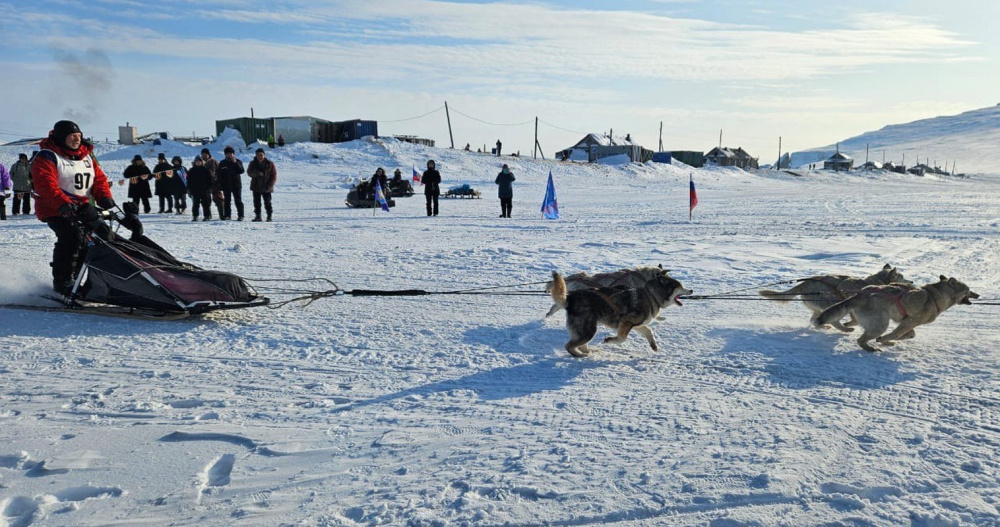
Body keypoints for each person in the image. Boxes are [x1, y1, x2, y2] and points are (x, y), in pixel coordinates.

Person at [30, 120, 115, 295]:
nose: (76, 140)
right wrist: (63, 204)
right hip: (55, 208)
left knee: (92, 241)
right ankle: (63, 282)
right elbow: (45, 184)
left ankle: (75, 280)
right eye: (72, 137)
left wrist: (104, 197)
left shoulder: (87, 156)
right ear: (62, 138)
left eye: (78, 136)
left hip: (82, 208)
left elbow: (98, 179)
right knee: (72, 238)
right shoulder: (47, 156)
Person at [247, 148, 277, 222]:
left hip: (266, 186)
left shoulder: (270, 163)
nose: (260, 156)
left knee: (267, 203)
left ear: (264, 155)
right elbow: (249, 172)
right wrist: (257, 173)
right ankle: (258, 216)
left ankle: (269, 216)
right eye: (258, 155)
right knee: (256, 203)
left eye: (261, 155)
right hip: (256, 186)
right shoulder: (252, 163)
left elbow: (274, 176)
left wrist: (270, 186)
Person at [217, 146, 245, 220]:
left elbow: (241, 171)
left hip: (236, 184)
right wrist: (220, 185)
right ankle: (227, 215)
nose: (230, 155)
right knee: (227, 201)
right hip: (226, 185)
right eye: (228, 153)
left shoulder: (238, 161)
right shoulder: (222, 163)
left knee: (238, 200)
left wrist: (235, 163)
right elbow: (219, 174)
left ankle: (241, 215)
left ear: (233, 154)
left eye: (231, 153)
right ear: (225, 154)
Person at [200, 148, 224, 220]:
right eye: (203, 154)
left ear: (208, 154)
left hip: (215, 183)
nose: (204, 156)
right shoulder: (200, 162)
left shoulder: (213, 161)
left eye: (205, 154)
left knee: (218, 199)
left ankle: (222, 215)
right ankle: (207, 215)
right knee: (206, 200)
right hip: (205, 184)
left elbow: (215, 172)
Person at [186, 156, 213, 221]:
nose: (198, 163)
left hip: (204, 190)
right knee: (195, 204)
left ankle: (206, 216)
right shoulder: (191, 170)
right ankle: (195, 216)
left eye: (199, 161)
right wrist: (189, 189)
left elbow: (210, 180)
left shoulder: (206, 170)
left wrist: (209, 189)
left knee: (205, 204)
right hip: (195, 190)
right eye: (196, 161)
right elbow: (188, 181)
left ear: (202, 162)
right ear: (195, 162)